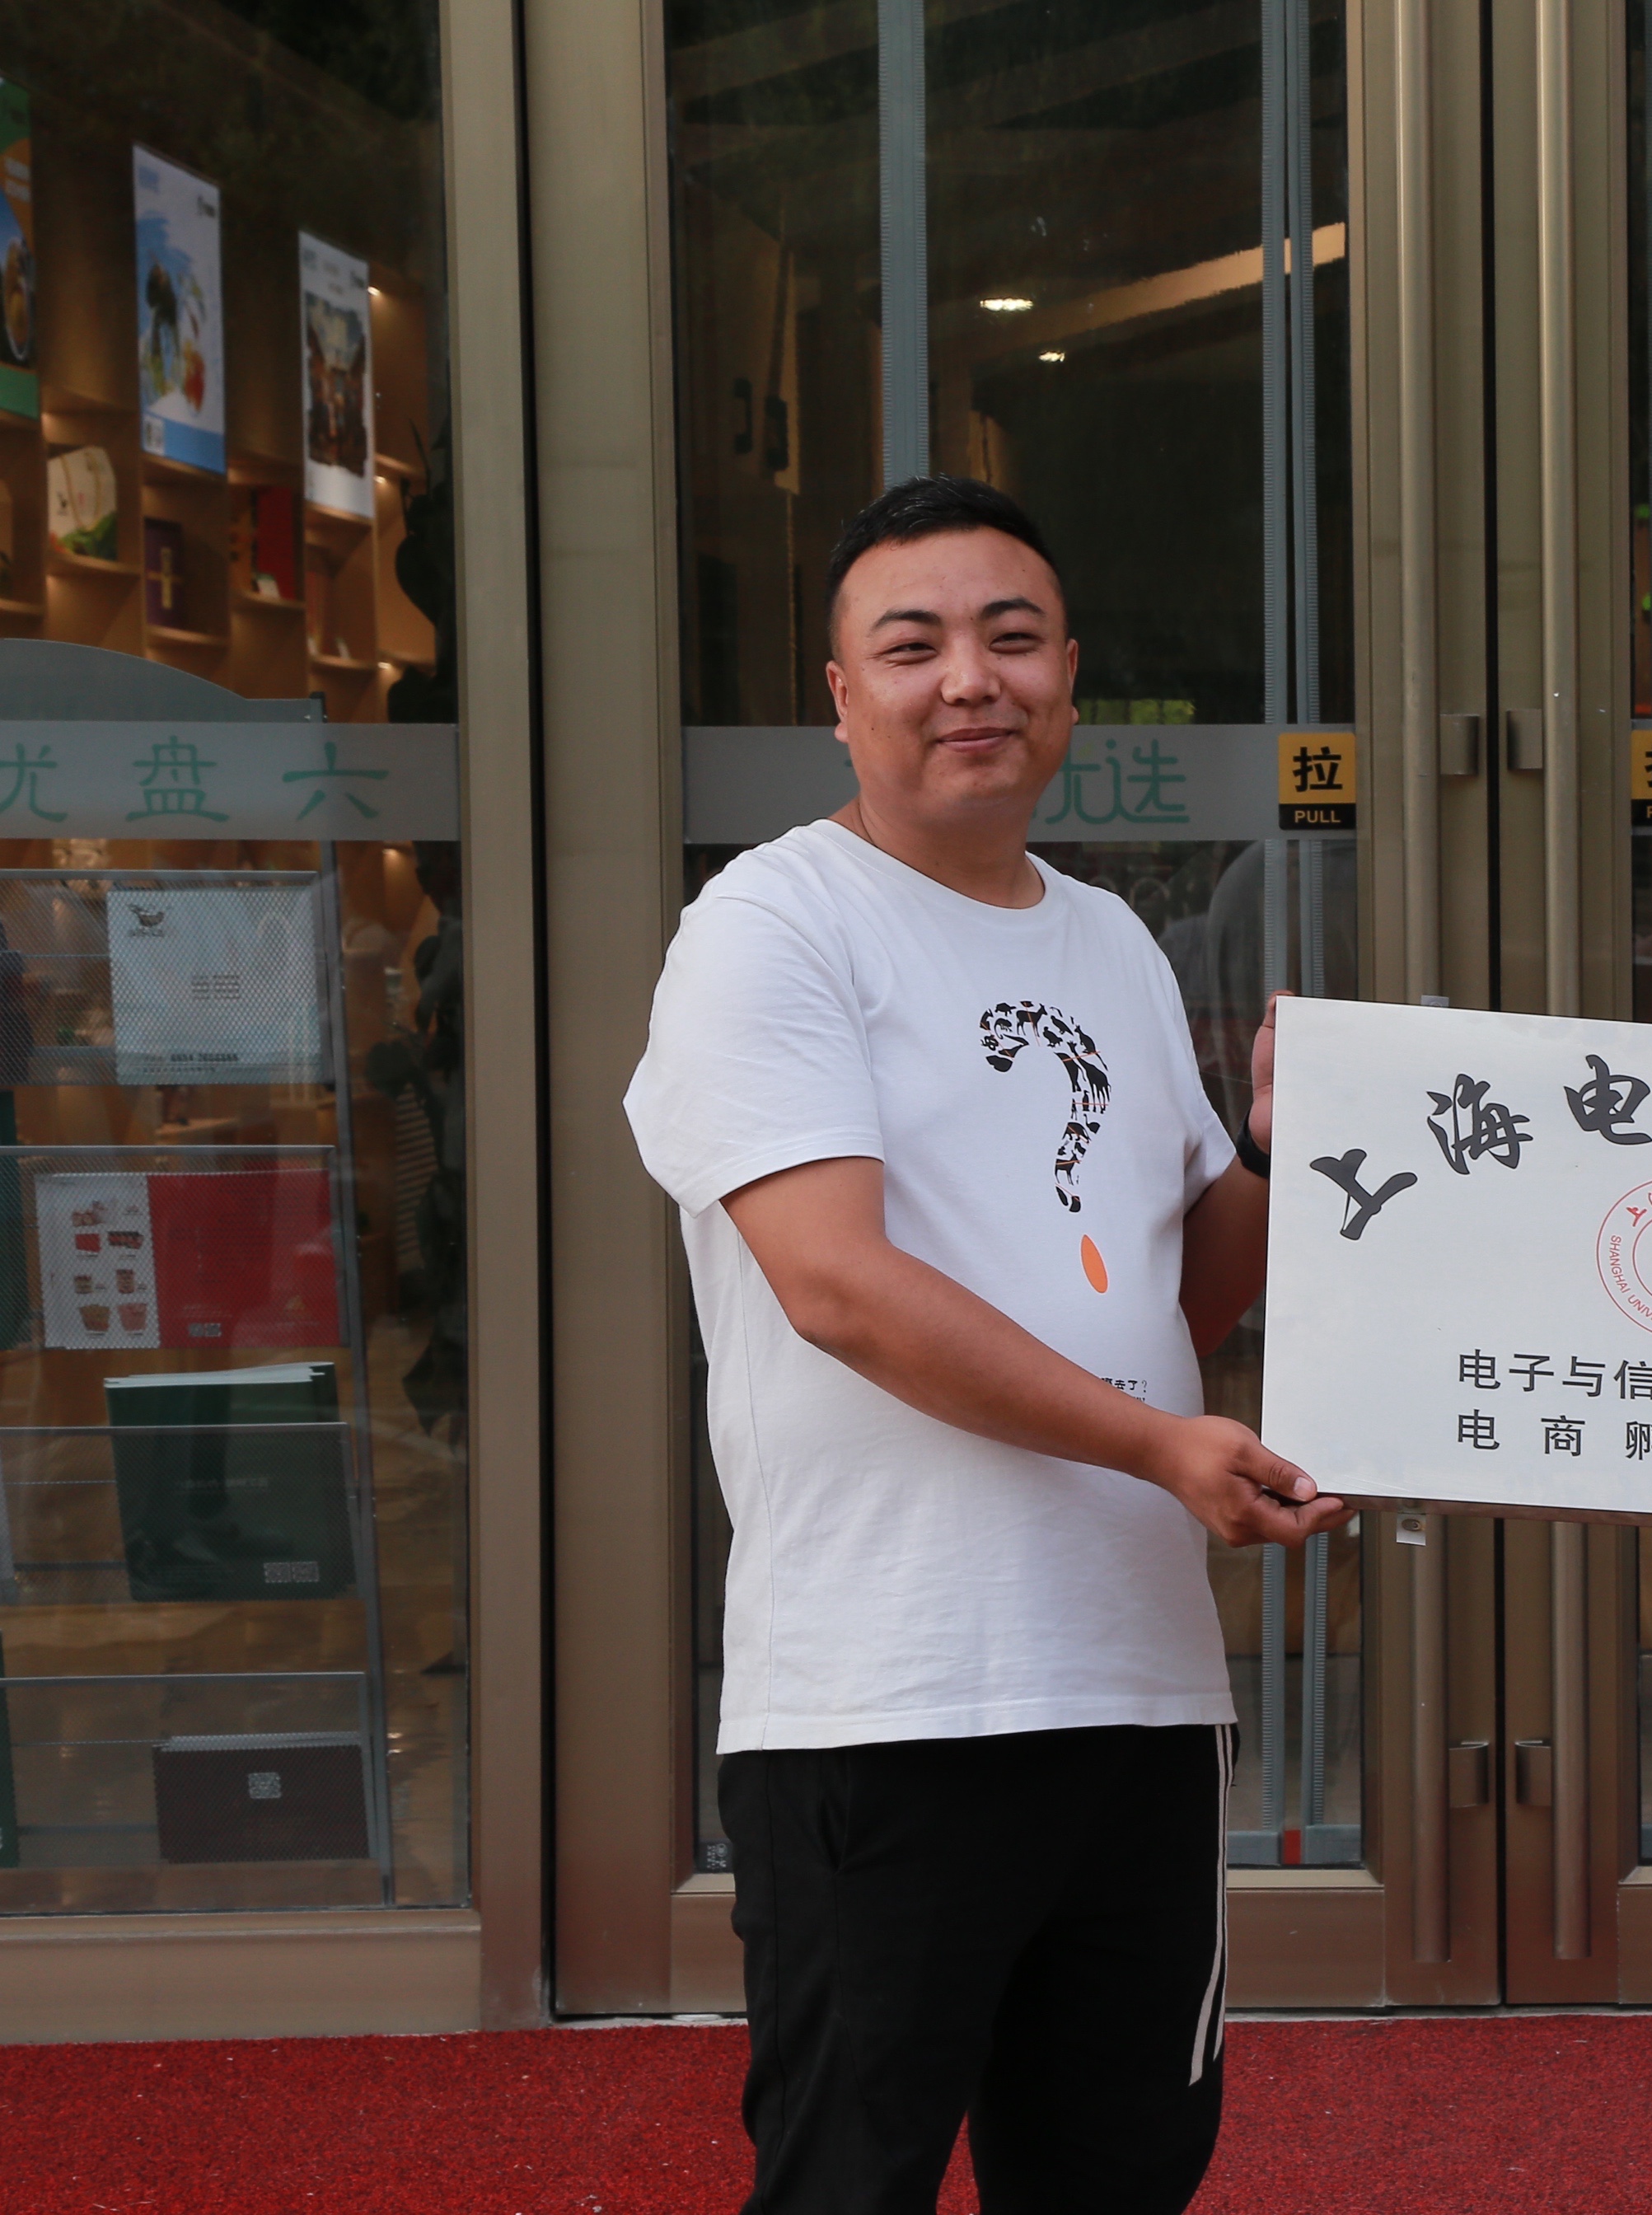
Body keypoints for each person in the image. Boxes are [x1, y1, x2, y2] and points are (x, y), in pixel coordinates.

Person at [625, 475, 1347, 2215]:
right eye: (916, 644)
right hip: (888, 1695)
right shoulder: (771, 928)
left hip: (1135, 1684)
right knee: (849, 2178)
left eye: (1012, 639)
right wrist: (1161, 1447)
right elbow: (836, 1286)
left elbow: (1173, 1304)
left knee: (1122, 2169)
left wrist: (1287, 1152)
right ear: (842, 694)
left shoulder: (1109, 940)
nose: (972, 678)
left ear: (1069, 678)